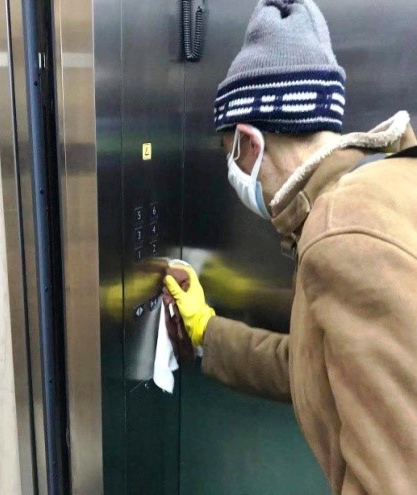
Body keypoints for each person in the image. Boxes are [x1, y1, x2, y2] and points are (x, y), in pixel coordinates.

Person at [164, 1, 417, 494]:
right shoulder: (385, 187)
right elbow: (316, 366)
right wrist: (207, 331)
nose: (234, 171)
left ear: (249, 142)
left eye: (229, 154)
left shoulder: (341, 231)